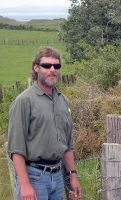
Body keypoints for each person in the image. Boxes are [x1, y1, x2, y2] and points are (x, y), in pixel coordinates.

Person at [7, 47, 82, 200]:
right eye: (47, 66)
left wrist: (73, 176)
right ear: (36, 68)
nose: (52, 70)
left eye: (57, 66)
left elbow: (67, 145)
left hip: (58, 177)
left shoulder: (63, 101)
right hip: (34, 177)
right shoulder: (24, 101)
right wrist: (25, 184)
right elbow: (16, 149)